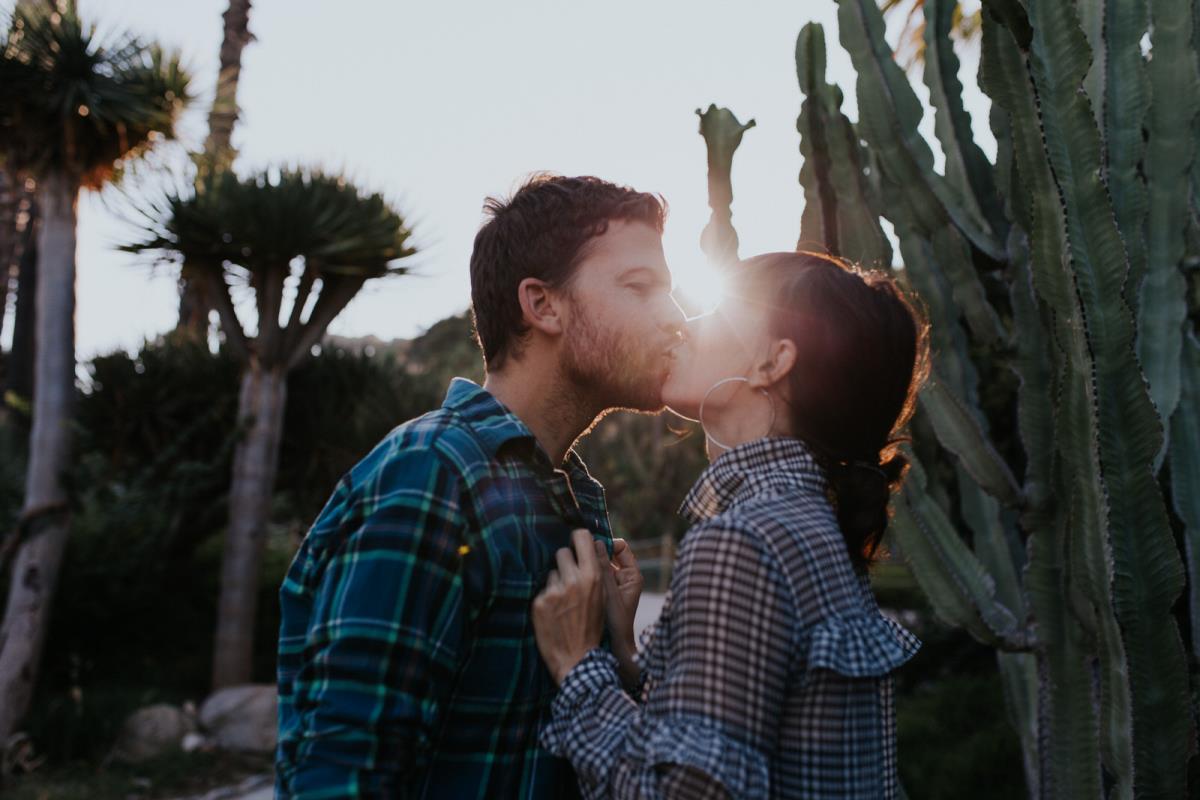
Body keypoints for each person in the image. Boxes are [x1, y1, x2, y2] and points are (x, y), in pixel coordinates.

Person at [274, 174, 686, 798]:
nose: (676, 319)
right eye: (640, 288)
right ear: (542, 304)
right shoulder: (431, 474)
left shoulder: (568, 490)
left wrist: (620, 656)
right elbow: (341, 776)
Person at [533, 251, 929, 799]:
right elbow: (753, 738)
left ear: (773, 362)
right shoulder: (815, 526)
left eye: (716, 311)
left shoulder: (743, 540)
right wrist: (626, 658)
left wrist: (579, 670)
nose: (681, 323)